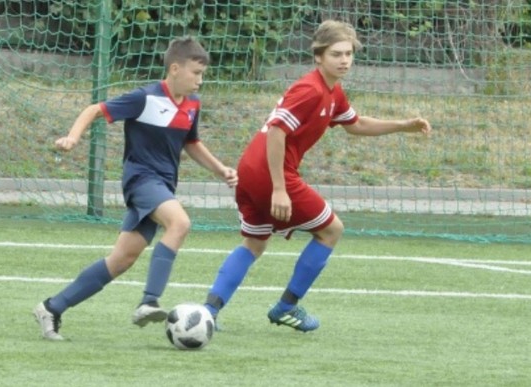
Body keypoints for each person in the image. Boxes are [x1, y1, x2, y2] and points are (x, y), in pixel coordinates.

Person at [204, 20, 432, 332]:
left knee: (254, 243)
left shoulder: (332, 92)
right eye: (336, 54)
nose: (344, 60)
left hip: (251, 170)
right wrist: (280, 189)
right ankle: (286, 307)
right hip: (271, 174)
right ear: (318, 56)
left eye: (349, 54)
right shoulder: (310, 89)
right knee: (330, 231)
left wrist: (403, 125)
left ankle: (208, 311)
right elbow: (276, 131)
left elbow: (355, 125)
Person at [33, 36, 238, 341]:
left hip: (162, 185)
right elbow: (94, 110)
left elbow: (191, 143)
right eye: (196, 73)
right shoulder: (145, 98)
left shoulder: (193, 104)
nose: (200, 80)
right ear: (175, 68)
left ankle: (52, 307)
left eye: (202, 74)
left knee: (121, 260)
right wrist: (73, 137)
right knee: (179, 223)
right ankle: (149, 301)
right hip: (141, 180)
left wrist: (220, 169)